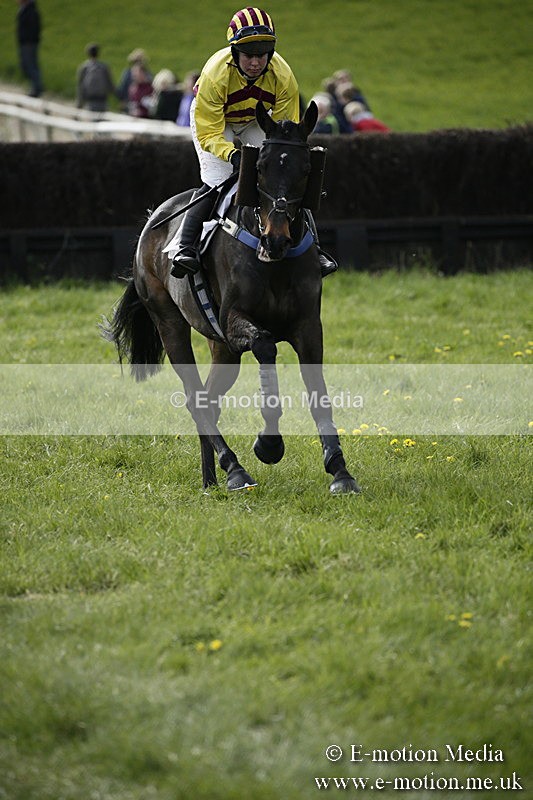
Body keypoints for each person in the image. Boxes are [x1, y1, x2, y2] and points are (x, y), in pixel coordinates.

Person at [170, 6, 337, 279]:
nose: (256, 63)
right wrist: (232, 155)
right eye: (249, 56)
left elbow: (286, 134)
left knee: (282, 174)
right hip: (215, 122)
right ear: (235, 53)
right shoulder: (215, 76)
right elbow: (210, 133)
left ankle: (314, 248)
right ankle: (185, 247)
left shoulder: (283, 76)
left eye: (262, 56)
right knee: (219, 178)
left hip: (254, 120)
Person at [16, 0, 43, 97]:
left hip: (28, 43)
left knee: (30, 65)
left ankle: (37, 88)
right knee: (27, 65)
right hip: (26, 42)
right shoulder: (27, 10)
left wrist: (29, 40)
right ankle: (35, 86)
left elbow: (33, 28)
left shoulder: (30, 11)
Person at [76, 43, 115, 112]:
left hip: (90, 102)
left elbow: (80, 87)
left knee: (92, 120)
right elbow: (111, 84)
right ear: (98, 53)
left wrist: (79, 105)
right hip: (103, 100)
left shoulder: (84, 67)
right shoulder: (104, 66)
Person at [116, 48, 152, 113]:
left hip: (140, 105)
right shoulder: (148, 73)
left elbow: (122, 89)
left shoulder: (127, 73)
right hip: (131, 104)